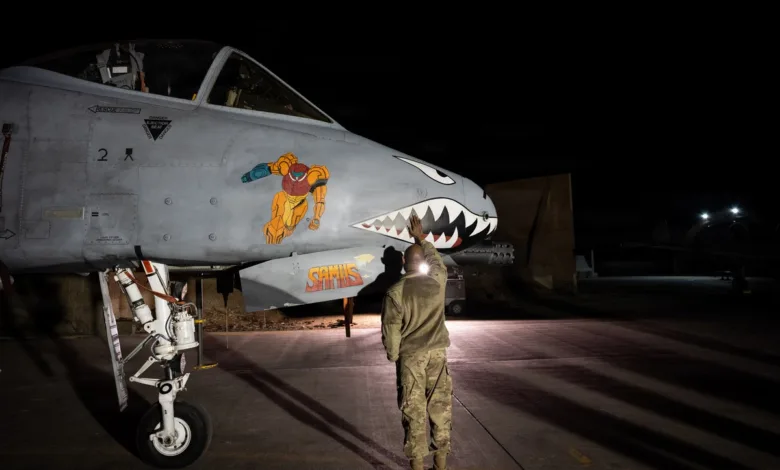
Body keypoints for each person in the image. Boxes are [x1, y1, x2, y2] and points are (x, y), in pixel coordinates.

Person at [381, 214, 452, 470]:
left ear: (403, 262)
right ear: (422, 262)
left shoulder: (395, 293)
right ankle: (441, 464)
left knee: (414, 412)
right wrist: (420, 237)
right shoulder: (437, 282)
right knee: (440, 408)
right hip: (437, 355)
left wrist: (394, 355)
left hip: (411, 358)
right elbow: (437, 261)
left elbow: (391, 331)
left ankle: (418, 466)